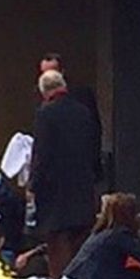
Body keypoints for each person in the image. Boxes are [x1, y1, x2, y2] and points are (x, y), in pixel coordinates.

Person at [29, 70, 100, 279]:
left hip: (55, 190)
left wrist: (33, 185)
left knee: (58, 243)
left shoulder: (46, 114)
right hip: (82, 186)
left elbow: (42, 153)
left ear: (44, 92)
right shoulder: (83, 112)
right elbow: (94, 146)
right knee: (81, 241)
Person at [38, 52, 103, 183]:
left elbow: (94, 130)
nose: (49, 77)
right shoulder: (40, 99)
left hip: (79, 166)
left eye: (53, 72)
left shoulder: (81, 96)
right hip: (53, 172)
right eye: (44, 73)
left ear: (62, 72)